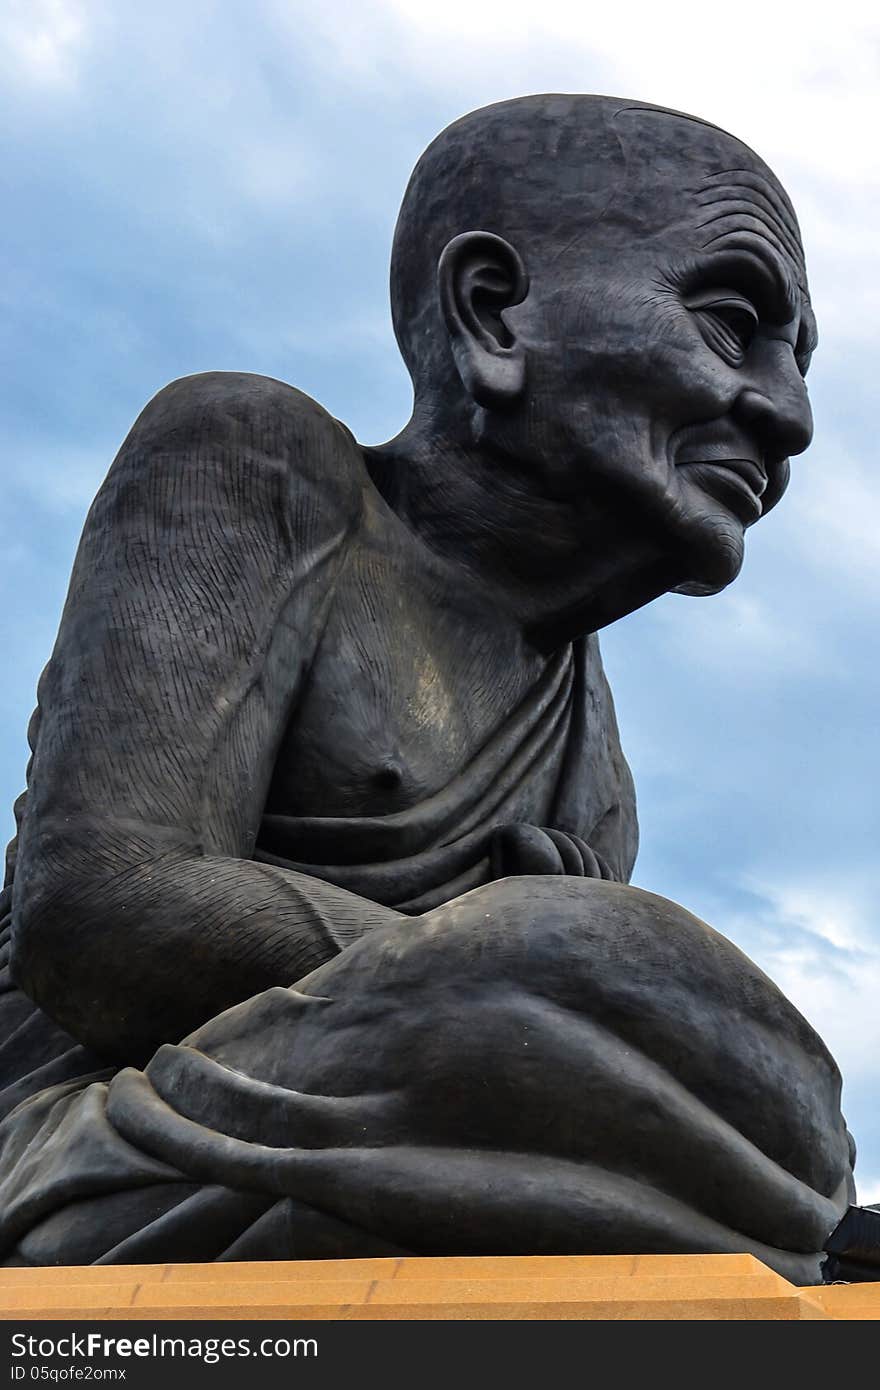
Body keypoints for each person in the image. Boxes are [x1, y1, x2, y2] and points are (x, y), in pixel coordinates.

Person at [0, 95, 852, 1279]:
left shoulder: (586, 738)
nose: (787, 415)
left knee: (786, 1115)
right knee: (561, 981)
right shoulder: (257, 459)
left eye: (795, 361)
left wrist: (539, 966)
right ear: (492, 312)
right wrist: (506, 950)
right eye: (727, 324)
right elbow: (97, 911)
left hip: (441, 1117)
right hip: (111, 1140)